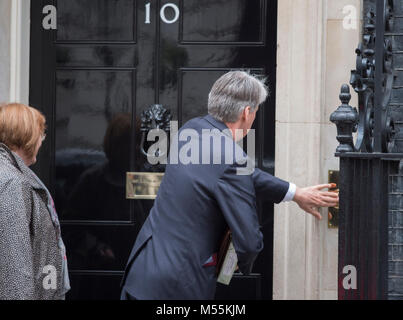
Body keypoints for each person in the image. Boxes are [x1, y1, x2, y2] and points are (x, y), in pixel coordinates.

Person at [120, 71, 339, 300]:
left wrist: (294, 193)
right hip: (180, 286)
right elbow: (250, 243)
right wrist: (237, 264)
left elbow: (242, 174)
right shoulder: (233, 159)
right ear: (247, 113)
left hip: (142, 273)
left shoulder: (190, 131)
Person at [0, 103, 70, 300]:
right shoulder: (11, 182)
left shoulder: (11, 173)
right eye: (41, 134)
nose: (41, 141)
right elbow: (14, 267)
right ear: (27, 136)